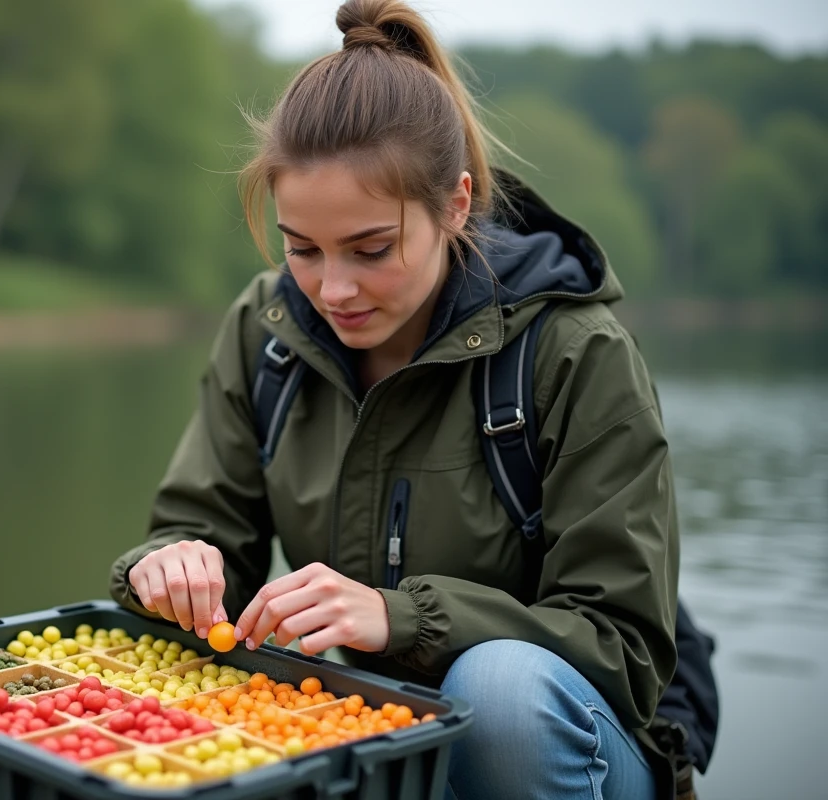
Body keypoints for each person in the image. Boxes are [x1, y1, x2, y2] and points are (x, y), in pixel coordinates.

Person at [108, 1, 678, 797]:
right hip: (385, 740)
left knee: (500, 692)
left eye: (370, 249)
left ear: (453, 205)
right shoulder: (263, 331)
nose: (332, 289)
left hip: (574, 748)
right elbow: (204, 539)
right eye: (301, 248)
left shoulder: (578, 354)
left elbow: (625, 651)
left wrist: (400, 616)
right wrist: (166, 567)